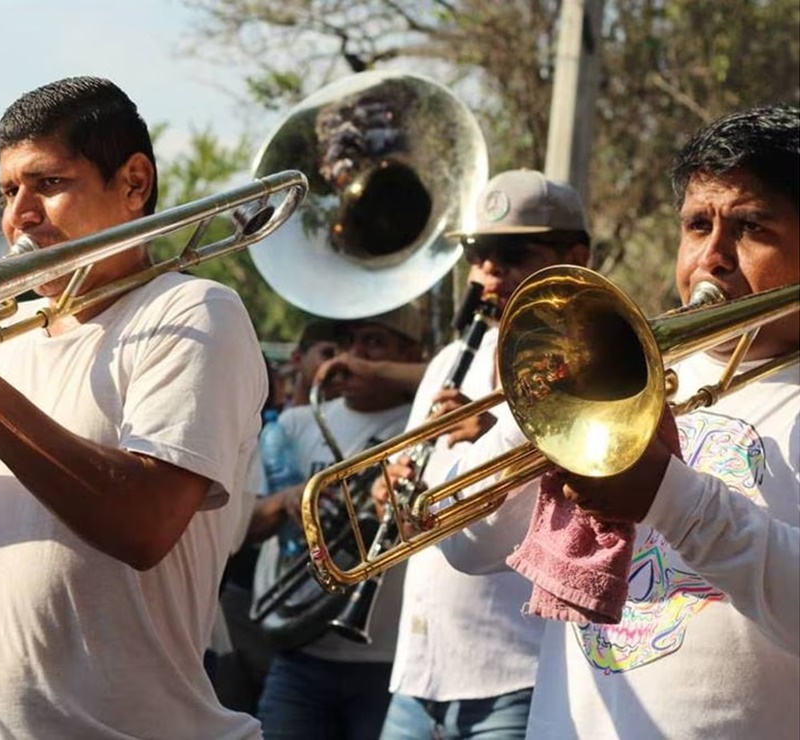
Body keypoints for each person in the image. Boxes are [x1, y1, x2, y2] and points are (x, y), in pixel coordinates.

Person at [0, 76, 267, 739]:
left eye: (48, 184)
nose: (20, 215)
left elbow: (143, 524)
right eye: (9, 191)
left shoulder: (194, 312)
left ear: (133, 183)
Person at [439, 104, 798, 738]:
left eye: (749, 227)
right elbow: (467, 546)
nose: (711, 258)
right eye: (696, 225)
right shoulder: (634, 365)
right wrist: (547, 408)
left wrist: (670, 496)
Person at [376, 170, 592, 739]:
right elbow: (419, 505)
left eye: (509, 253)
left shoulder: (596, 360)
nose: (486, 272)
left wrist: (495, 433)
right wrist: (397, 489)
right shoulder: (451, 359)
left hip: (517, 671)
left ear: (576, 256)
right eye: (476, 252)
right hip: (419, 673)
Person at [246, 307, 425, 740]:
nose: (354, 357)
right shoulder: (296, 423)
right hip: (301, 653)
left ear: (408, 354)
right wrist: (290, 500)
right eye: (348, 344)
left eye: (375, 343)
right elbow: (242, 528)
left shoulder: (424, 425)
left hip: (389, 659)